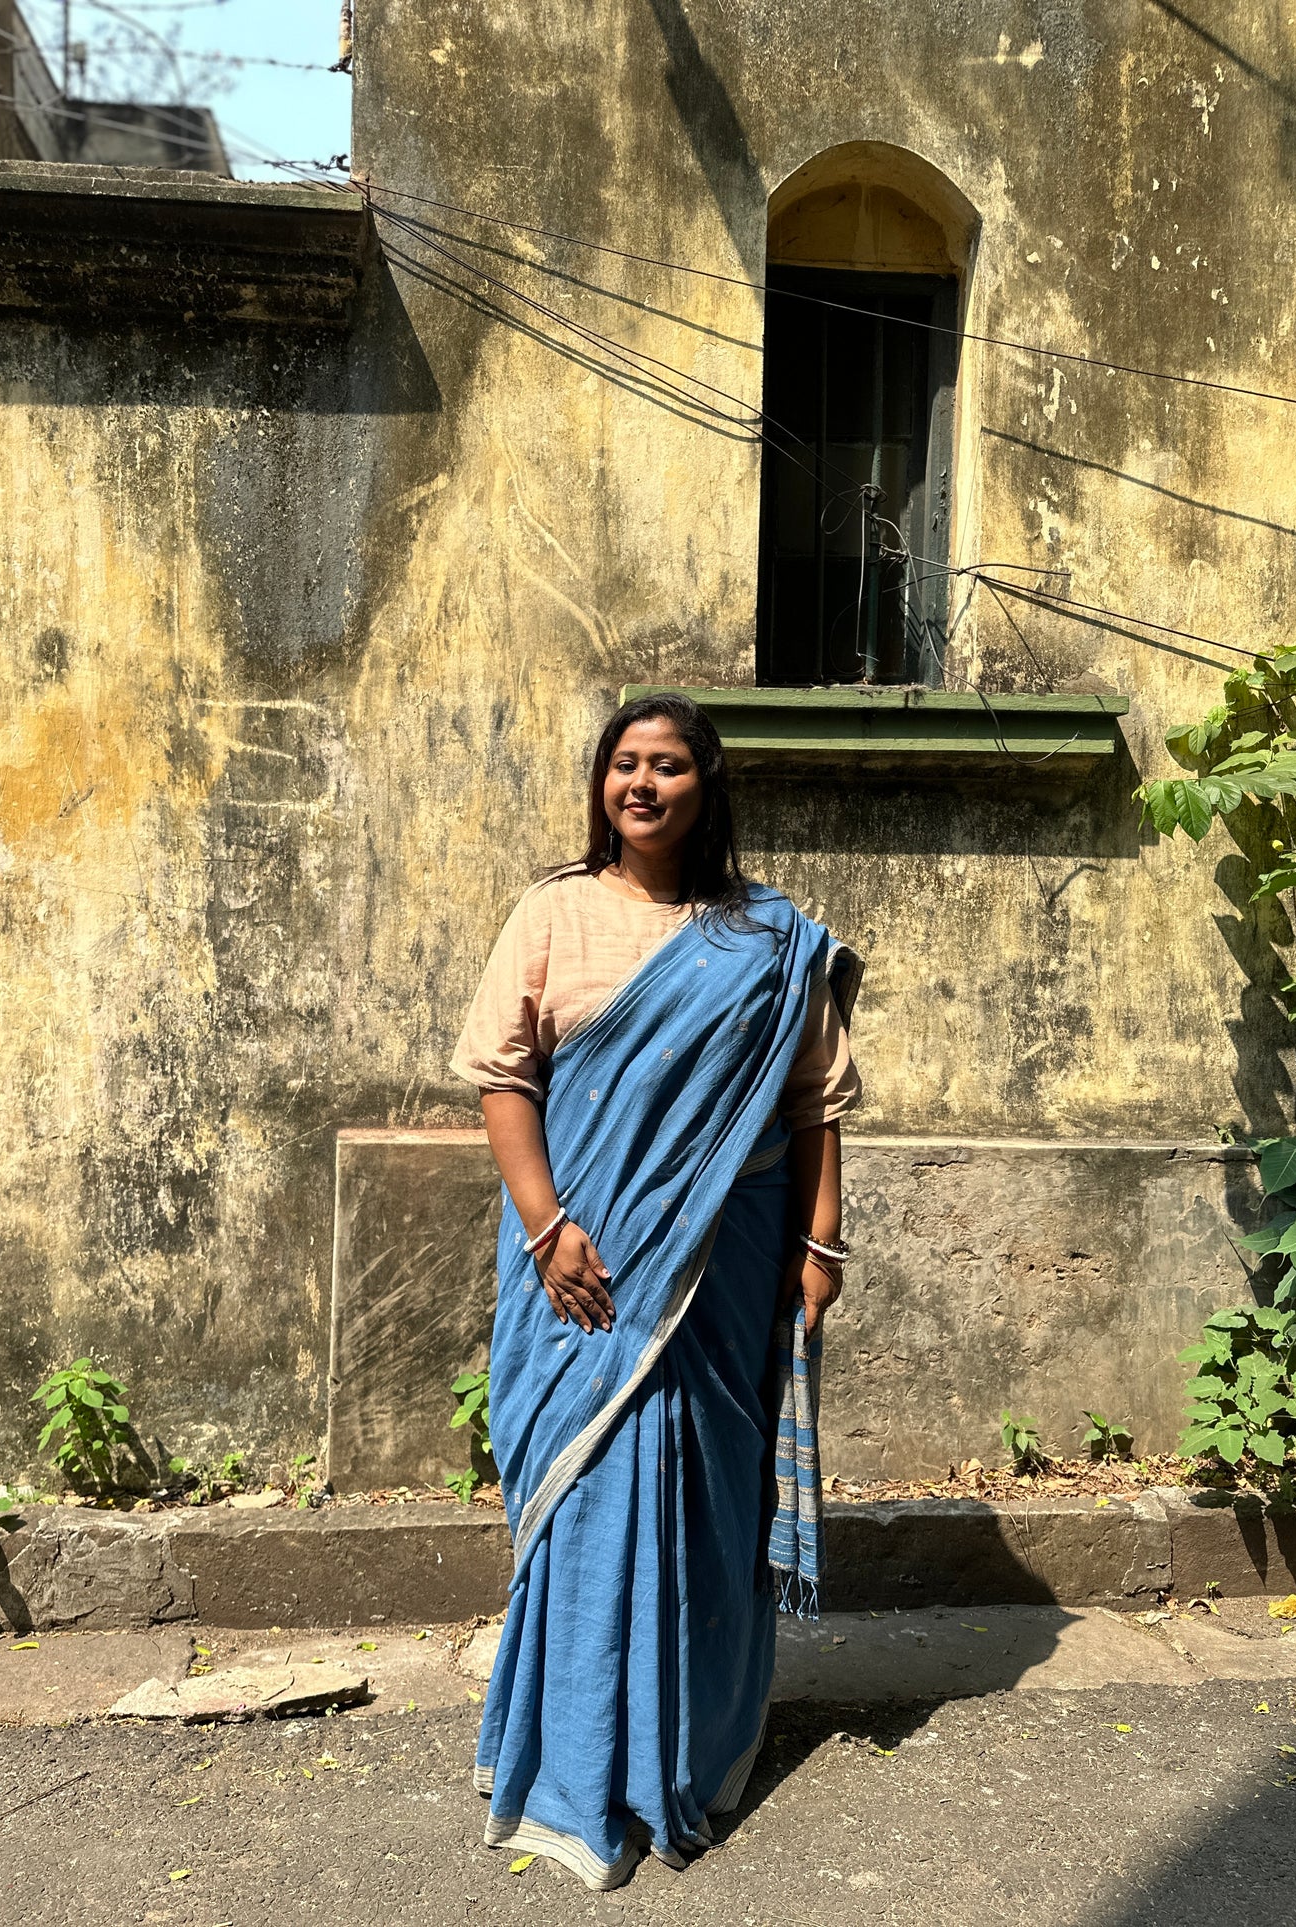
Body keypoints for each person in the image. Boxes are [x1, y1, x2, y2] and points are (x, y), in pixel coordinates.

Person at [450, 691, 862, 1891]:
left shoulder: (767, 940)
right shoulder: (552, 911)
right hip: (574, 1265)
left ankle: (678, 1760)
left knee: (698, 1495)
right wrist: (546, 1230)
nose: (641, 783)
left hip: (719, 1273)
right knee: (581, 1495)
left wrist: (819, 1246)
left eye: (667, 765)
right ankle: (575, 1771)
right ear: (599, 784)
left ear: (705, 785)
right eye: (623, 763)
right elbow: (502, 1077)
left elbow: (815, 1102)